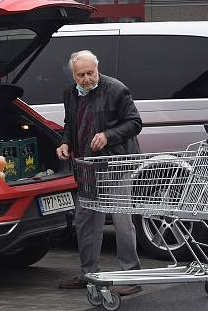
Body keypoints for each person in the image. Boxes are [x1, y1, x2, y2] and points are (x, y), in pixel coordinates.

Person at [57, 50, 143, 295]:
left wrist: (107, 136)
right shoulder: (70, 94)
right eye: (81, 75)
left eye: (90, 73)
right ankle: (88, 273)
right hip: (86, 167)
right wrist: (65, 143)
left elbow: (135, 122)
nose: (86, 79)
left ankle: (131, 275)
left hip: (116, 164)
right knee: (85, 221)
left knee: (121, 220)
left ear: (98, 69)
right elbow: (69, 124)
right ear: (73, 75)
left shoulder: (116, 89)